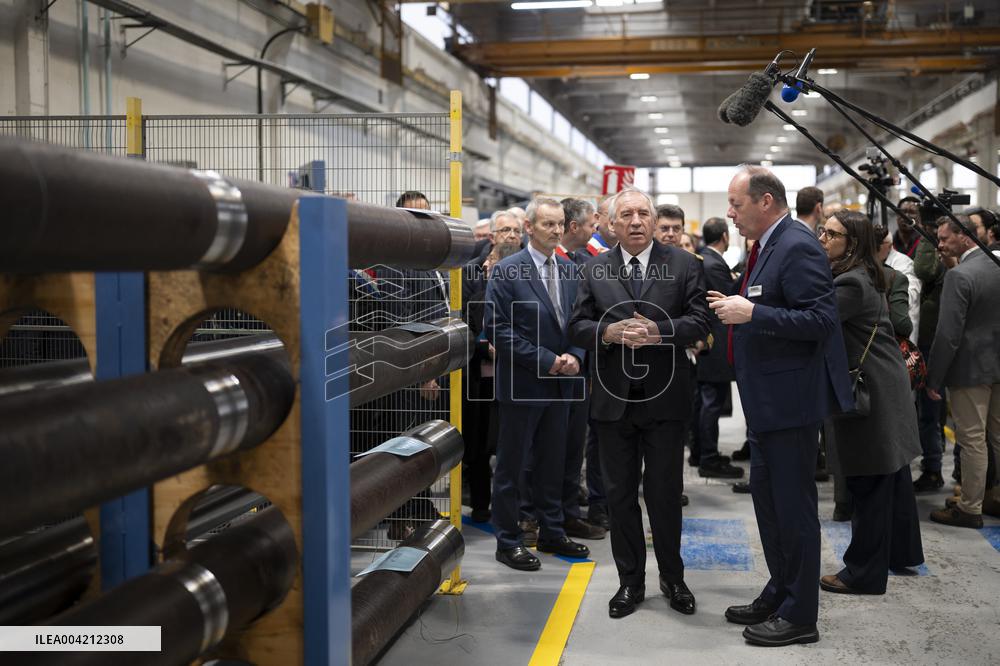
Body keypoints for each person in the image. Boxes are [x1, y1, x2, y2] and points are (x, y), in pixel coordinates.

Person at [709, 166, 853, 647]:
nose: (730, 212)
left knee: (793, 510)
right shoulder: (766, 244)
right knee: (769, 505)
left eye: (737, 203)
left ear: (765, 201)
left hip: (790, 403)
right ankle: (781, 589)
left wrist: (752, 313)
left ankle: (800, 615)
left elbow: (820, 319)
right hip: (767, 401)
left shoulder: (796, 244)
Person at [569, 187, 710, 619]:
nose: (635, 221)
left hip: (666, 400)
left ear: (653, 221)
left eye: (642, 214)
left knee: (666, 494)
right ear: (611, 223)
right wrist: (607, 335)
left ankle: (673, 577)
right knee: (619, 495)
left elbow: (700, 320)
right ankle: (630, 582)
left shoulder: (684, 264)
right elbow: (576, 325)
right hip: (613, 402)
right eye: (625, 214)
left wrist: (660, 331)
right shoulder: (594, 268)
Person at [817, 210, 924, 594]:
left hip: (871, 397)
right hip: (884, 389)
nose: (824, 239)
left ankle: (863, 573)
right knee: (890, 480)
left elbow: (813, 322)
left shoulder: (850, 283)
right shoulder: (864, 274)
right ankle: (900, 553)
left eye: (832, 234)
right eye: (823, 232)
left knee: (869, 486)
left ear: (854, 243)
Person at [485, 197, 589, 571]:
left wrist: (576, 354)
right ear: (529, 228)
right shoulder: (507, 271)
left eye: (560, 224)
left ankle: (552, 531)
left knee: (553, 463)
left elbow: (581, 320)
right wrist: (548, 361)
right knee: (513, 467)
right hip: (524, 384)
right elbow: (498, 329)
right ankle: (508, 540)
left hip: (562, 385)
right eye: (548, 224)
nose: (556, 231)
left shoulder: (570, 269)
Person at [927, 215, 1000, 527]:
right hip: (997, 363)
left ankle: (970, 507)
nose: (940, 245)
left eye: (945, 239)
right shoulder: (996, 266)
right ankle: (994, 495)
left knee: (971, 440)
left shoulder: (960, 276)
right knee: (997, 436)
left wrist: (934, 377)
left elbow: (948, 335)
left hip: (969, 369)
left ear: (966, 238)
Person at [697, 217, 743, 479]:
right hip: (715, 340)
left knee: (708, 401)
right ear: (724, 236)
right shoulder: (713, 263)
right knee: (711, 402)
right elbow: (725, 297)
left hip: (709, 340)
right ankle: (709, 458)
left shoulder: (705, 259)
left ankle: (706, 454)